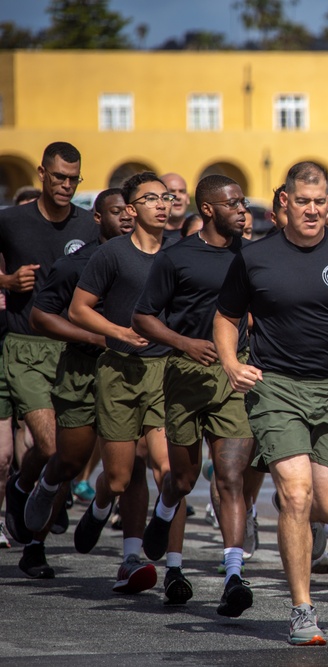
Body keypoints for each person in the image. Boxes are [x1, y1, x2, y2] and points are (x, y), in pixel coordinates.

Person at [215, 161, 328, 645]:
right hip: (277, 387)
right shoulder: (254, 257)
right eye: (303, 201)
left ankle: (291, 503)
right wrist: (231, 363)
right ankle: (302, 610)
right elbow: (227, 316)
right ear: (285, 204)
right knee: (296, 494)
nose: (313, 210)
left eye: (321, 202)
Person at [133, 175, 256, 618]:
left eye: (243, 202)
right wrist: (184, 343)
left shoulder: (252, 255)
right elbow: (143, 317)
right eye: (233, 204)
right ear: (208, 209)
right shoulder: (176, 258)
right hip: (185, 373)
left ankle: (233, 577)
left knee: (229, 477)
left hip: (234, 375)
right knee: (182, 480)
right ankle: (166, 522)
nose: (243, 210)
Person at [69, 172, 188, 602]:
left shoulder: (180, 253)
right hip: (119, 371)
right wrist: (117, 331)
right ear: (132, 208)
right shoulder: (112, 254)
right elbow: (79, 310)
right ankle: (101, 507)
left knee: (172, 472)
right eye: (150, 198)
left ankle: (164, 543)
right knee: (119, 479)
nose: (162, 204)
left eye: (167, 197)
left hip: (165, 373)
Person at [0, 141, 99, 578]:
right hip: (24, 345)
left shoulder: (90, 227)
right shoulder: (12, 220)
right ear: (42, 173)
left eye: (73, 178)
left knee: (68, 458)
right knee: (51, 445)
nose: (66, 185)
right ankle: (25, 492)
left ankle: (30, 528)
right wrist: (5, 279)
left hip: (73, 350)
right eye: (59, 177)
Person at [23, 190, 133, 554]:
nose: (126, 218)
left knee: (134, 466)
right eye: (117, 212)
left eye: (130, 211)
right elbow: (41, 317)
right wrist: (95, 337)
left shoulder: (151, 261)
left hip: (133, 370)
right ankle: (41, 515)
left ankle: (127, 550)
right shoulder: (76, 263)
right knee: (69, 459)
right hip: (83, 368)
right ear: (98, 218)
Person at [160, 173, 190, 241]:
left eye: (182, 191)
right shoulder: (150, 234)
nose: (178, 197)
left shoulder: (199, 231)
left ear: (187, 198)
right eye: (172, 192)